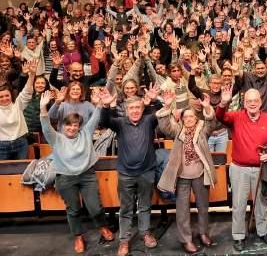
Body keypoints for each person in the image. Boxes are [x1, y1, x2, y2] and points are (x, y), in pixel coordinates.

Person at [40, 88, 114, 253]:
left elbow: (95, 117)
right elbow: (45, 126)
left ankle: (102, 227)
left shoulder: (85, 133)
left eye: (75, 125)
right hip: (66, 178)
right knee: (73, 209)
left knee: (95, 207)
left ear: (79, 126)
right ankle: (78, 236)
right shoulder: (56, 138)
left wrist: (100, 103)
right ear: (63, 126)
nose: (72, 128)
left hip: (87, 175)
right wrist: (43, 108)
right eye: (68, 125)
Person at [216, 87, 267, 252]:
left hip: (261, 169)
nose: (252, 103)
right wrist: (223, 103)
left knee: (261, 203)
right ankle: (238, 235)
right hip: (239, 169)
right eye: (249, 101)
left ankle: (262, 231)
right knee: (238, 204)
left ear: (261, 102)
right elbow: (220, 116)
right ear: (244, 103)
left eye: (255, 100)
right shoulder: (236, 117)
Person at [156, 91, 217, 254]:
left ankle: (203, 233)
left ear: (196, 118)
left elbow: (212, 123)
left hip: (200, 174)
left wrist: (208, 108)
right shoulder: (178, 131)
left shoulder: (202, 129)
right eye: (186, 117)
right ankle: (186, 239)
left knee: (203, 206)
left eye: (192, 116)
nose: (189, 119)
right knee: (182, 209)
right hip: (182, 176)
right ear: (182, 119)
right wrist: (167, 107)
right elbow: (164, 126)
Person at [100, 95, 159, 256]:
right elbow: (104, 122)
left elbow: (159, 114)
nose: (135, 111)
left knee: (145, 205)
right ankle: (124, 240)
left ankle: (145, 233)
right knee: (126, 208)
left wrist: (155, 101)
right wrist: (106, 107)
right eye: (131, 108)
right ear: (126, 110)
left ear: (142, 109)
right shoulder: (119, 123)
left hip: (146, 172)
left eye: (138, 107)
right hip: (126, 173)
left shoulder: (149, 120)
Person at [0, 60, 36, 160]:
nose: (4, 98)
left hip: (21, 144)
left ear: (11, 95)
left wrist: (32, 75)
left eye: (7, 95)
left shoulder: (18, 104)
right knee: (3, 170)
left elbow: (27, 91)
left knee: (22, 168)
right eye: (1, 97)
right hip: (1, 146)